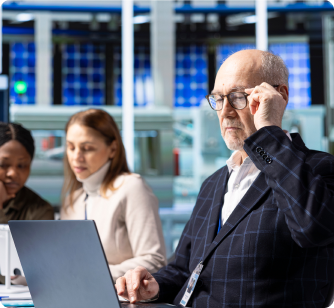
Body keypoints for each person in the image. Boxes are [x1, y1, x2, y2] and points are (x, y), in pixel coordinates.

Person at [115, 49, 334, 308]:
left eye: (239, 97)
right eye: (218, 99)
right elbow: (185, 268)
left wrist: (268, 132)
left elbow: (312, 229)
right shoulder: (214, 183)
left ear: (279, 97)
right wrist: (153, 286)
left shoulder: (319, 168)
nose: (225, 111)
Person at [60, 109, 167, 281]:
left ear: (113, 149)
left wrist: (91, 274)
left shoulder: (131, 187)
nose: (76, 157)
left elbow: (154, 260)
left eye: (87, 148)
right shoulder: (73, 200)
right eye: (71, 147)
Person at [0, 122, 54, 285]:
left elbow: (20, 272)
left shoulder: (40, 211)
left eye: (22, 165)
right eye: (3, 165)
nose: (13, 173)